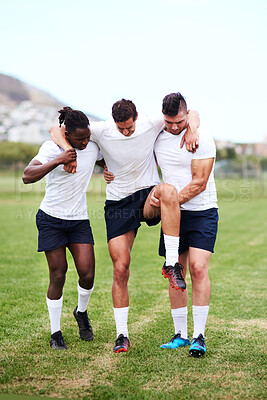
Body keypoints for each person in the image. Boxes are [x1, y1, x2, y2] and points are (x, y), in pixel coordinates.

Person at [49, 99, 199, 352]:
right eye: (122, 129)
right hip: (119, 204)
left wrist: (192, 129)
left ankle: (171, 264)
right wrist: (68, 151)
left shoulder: (150, 123)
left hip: (146, 197)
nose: (126, 132)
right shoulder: (102, 129)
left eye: (129, 127)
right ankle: (122, 334)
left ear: (137, 117)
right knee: (121, 268)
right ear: (113, 122)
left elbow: (192, 112)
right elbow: (56, 129)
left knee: (169, 191)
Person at [22, 107, 103, 350]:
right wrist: (59, 159)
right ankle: (55, 332)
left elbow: (106, 159)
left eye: (87, 137)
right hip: (51, 219)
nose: (85, 142)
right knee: (58, 274)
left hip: (78, 220)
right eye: (80, 139)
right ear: (66, 134)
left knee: (87, 273)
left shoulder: (91, 147)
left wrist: (107, 169)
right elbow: (27, 176)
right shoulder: (51, 148)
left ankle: (81, 312)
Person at [152, 92, 218, 357]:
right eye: (169, 122)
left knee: (198, 269)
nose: (174, 127)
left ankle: (199, 337)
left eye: (179, 121)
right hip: (174, 214)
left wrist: (171, 205)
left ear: (186, 113)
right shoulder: (158, 135)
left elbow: (199, 183)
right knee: (174, 271)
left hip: (202, 212)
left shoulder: (202, 138)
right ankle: (180, 334)